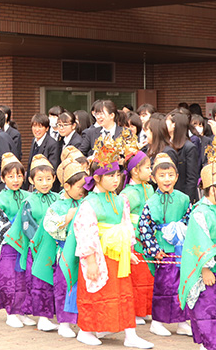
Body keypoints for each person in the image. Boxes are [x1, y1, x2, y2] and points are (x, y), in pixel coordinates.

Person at [73, 140, 153, 349]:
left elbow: (127, 225)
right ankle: (86, 329)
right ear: (97, 177)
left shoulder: (120, 200)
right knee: (98, 292)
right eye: (110, 175)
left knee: (124, 293)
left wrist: (130, 250)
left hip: (120, 256)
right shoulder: (89, 203)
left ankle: (130, 333)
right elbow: (86, 233)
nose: (115, 179)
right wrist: (90, 261)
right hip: (99, 255)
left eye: (117, 174)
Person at [178, 151, 216, 350]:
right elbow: (199, 242)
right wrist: (205, 269)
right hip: (208, 270)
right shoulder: (200, 212)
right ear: (213, 190)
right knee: (208, 310)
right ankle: (210, 345)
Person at [138, 153, 193, 338]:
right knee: (164, 287)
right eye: (162, 175)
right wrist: (154, 250)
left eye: (170, 175)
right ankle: (157, 321)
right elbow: (144, 227)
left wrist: (181, 229)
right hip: (163, 251)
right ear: (154, 178)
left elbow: (189, 219)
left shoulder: (184, 198)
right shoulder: (151, 203)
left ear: (177, 177)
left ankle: (182, 321)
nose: (166, 179)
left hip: (181, 249)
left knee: (183, 285)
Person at [0, 153, 33, 328]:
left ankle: (22, 310)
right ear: (3, 178)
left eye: (19, 176)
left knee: (25, 277)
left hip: (25, 245)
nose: (15, 180)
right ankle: (11, 312)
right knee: (10, 278)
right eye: (10, 176)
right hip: (8, 245)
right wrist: (15, 232)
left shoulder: (28, 196)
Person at [5, 154, 59, 332]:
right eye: (40, 179)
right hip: (36, 248)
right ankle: (42, 318)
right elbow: (27, 225)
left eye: (48, 179)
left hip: (55, 248)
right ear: (32, 181)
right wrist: (41, 242)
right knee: (39, 282)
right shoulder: (29, 201)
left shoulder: (57, 198)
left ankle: (47, 315)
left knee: (53, 282)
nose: (45, 183)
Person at [43, 157, 89, 339]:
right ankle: (64, 322)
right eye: (79, 187)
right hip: (64, 253)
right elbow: (50, 226)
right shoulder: (57, 205)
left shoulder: (87, 201)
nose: (83, 191)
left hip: (85, 252)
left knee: (83, 286)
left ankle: (83, 320)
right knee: (65, 285)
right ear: (67, 186)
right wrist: (66, 219)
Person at [119, 145, 155, 325]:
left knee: (149, 275)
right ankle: (136, 310)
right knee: (138, 276)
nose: (151, 170)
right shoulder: (127, 194)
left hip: (150, 234)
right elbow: (124, 218)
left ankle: (146, 308)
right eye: (147, 167)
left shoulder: (149, 188)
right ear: (135, 171)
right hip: (137, 237)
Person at [166, 110, 200, 204]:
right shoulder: (167, 144)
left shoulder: (189, 147)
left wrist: (186, 201)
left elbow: (192, 178)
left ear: (174, 125)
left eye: (167, 121)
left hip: (182, 196)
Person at [26, 113, 60, 190]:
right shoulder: (34, 141)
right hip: (33, 185)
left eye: (40, 127)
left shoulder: (52, 144)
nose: (37, 130)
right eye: (34, 126)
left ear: (47, 128)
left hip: (46, 187)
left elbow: (52, 168)